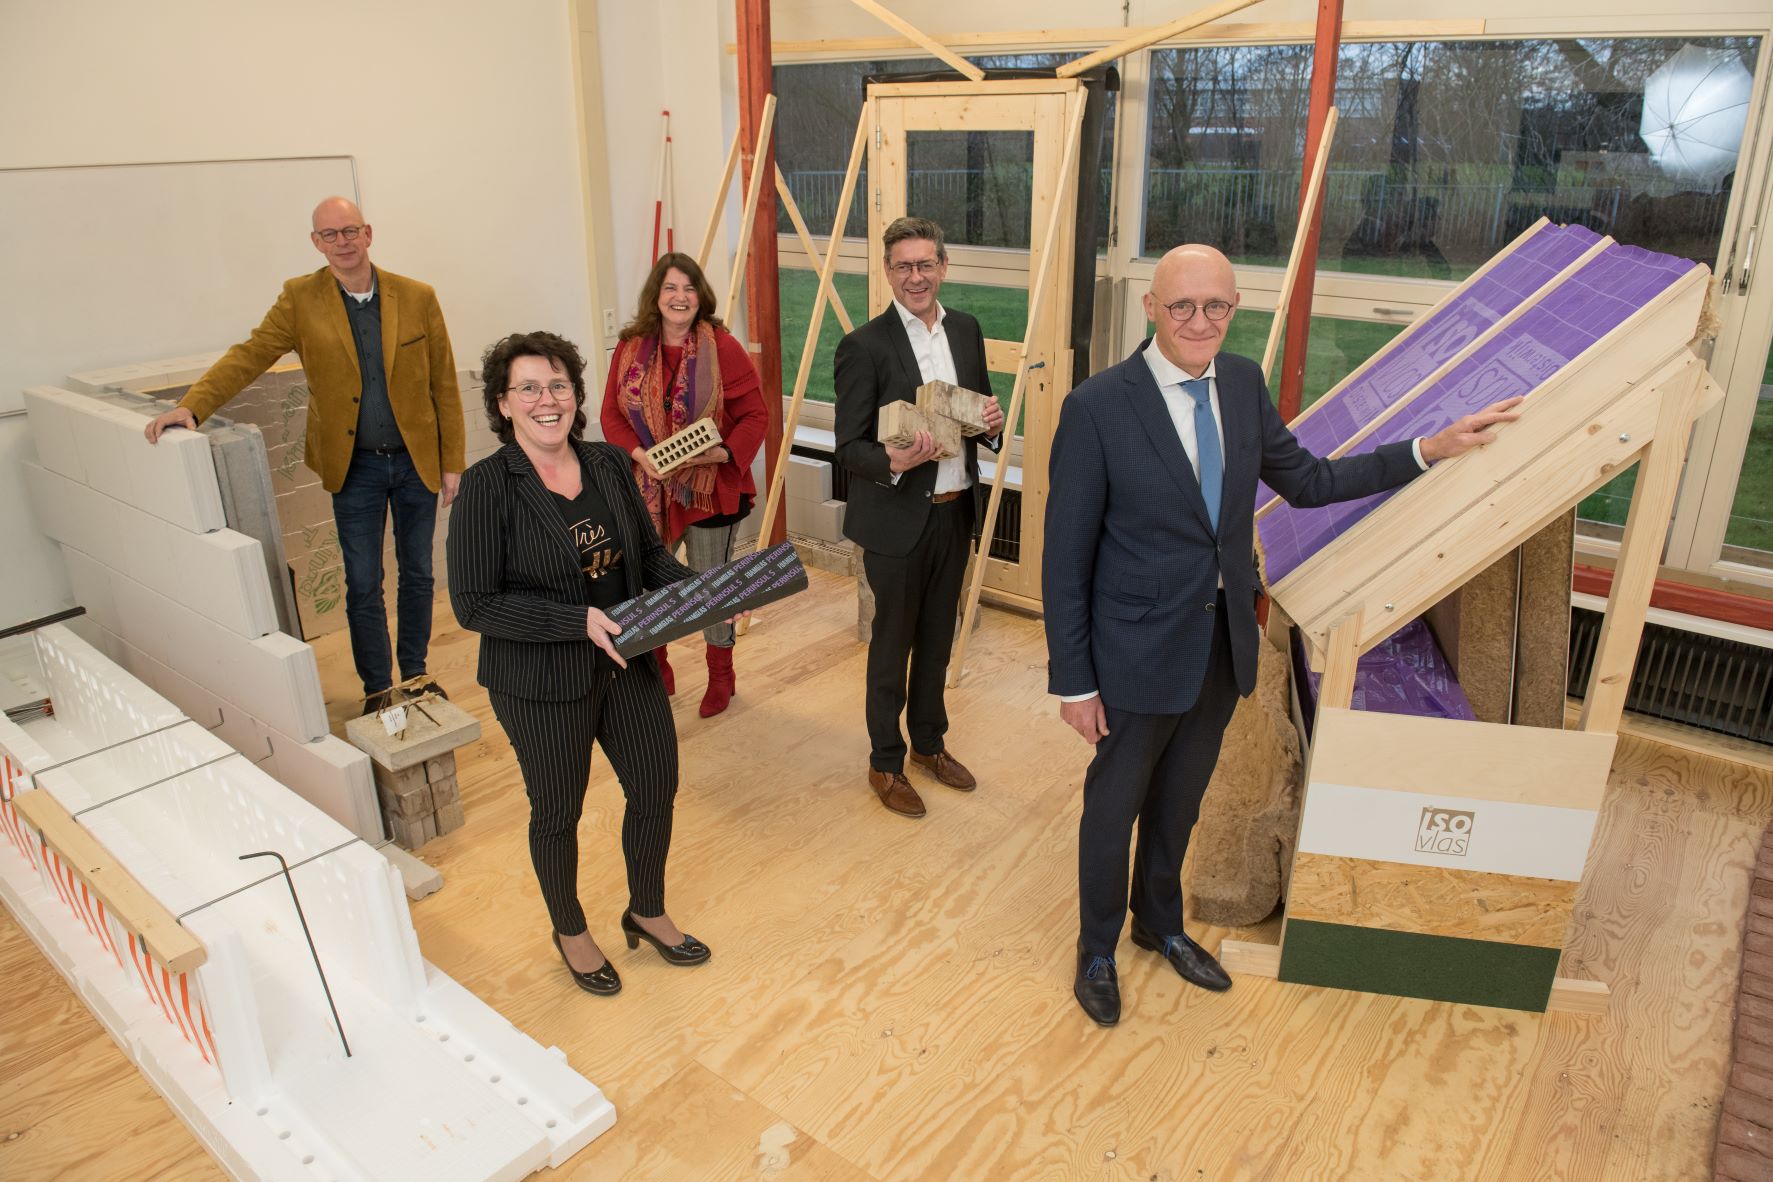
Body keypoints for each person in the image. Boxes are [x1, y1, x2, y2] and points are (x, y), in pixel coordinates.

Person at [1043, 244, 1522, 1027]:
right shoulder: (1097, 407)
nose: (1199, 321)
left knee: (1180, 801)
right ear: (1150, 308)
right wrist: (1074, 681)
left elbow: (1307, 480)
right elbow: (1065, 556)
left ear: (1234, 308)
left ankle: (1157, 923)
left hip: (1217, 640)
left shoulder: (1238, 382)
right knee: (1113, 807)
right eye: (1181, 306)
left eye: (1216, 306)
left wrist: (1427, 450)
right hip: (1130, 651)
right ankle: (1095, 949)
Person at [447, 331, 709, 997]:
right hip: (539, 682)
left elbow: (646, 556)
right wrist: (575, 621)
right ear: (503, 403)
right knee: (557, 812)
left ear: (576, 394)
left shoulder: (609, 464)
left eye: (558, 385)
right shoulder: (486, 487)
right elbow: (474, 604)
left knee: (654, 789)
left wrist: (699, 593)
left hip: (626, 661)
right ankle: (569, 930)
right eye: (528, 388)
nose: (547, 400)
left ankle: (645, 910)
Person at [143, 196, 464, 715]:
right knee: (364, 583)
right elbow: (249, 355)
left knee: (419, 574)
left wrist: (452, 462)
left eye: (350, 231)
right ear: (316, 242)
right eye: (330, 234)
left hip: (416, 462)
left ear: (368, 233)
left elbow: (444, 383)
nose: (342, 242)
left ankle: (416, 674)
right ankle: (378, 688)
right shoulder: (299, 298)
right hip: (354, 467)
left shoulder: (417, 296)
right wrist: (193, 406)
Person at [834, 216, 1005, 819]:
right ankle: (885, 761)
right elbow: (848, 446)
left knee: (937, 642)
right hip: (896, 523)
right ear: (887, 272)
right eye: (903, 266)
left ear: (943, 267)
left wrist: (992, 425)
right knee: (892, 647)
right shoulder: (864, 346)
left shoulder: (967, 329)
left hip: (955, 515)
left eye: (925, 264)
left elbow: (977, 411)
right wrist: (893, 460)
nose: (916, 276)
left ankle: (928, 746)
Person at [600, 253, 767, 718]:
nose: (680, 297)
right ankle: (658, 668)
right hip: (647, 490)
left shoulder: (722, 347)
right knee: (646, 585)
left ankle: (721, 675)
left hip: (709, 489)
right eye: (671, 288)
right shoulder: (630, 347)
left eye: (689, 288)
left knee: (713, 587)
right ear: (656, 295)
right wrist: (642, 458)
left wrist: (724, 454)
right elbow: (611, 414)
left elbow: (756, 416)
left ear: (701, 296)